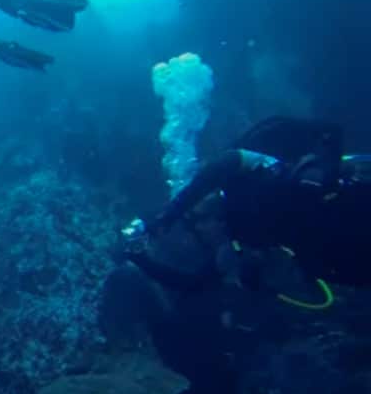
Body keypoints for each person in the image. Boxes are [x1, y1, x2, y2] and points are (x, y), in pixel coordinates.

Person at [121, 117, 371, 308]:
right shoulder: (235, 246)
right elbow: (193, 283)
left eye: (196, 222)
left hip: (341, 202)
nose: (201, 234)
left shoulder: (241, 181)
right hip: (338, 247)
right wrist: (138, 258)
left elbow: (227, 162)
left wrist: (172, 212)